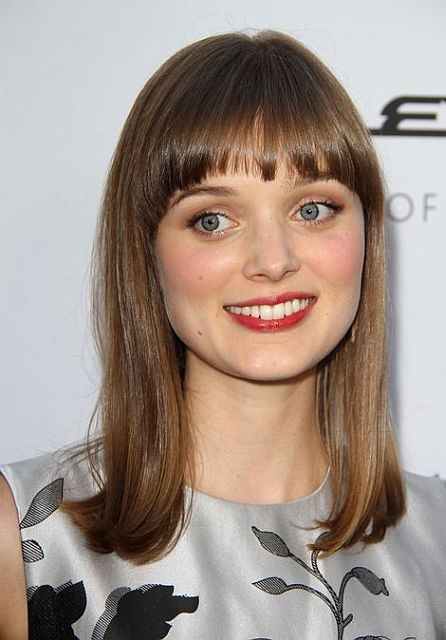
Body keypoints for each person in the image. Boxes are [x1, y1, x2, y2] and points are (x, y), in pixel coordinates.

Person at [0, 30, 445, 640]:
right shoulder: (24, 541)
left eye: (312, 209)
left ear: (367, 235)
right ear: (147, 252)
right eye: (212, 219)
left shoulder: (438, 540)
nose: (272, 260)